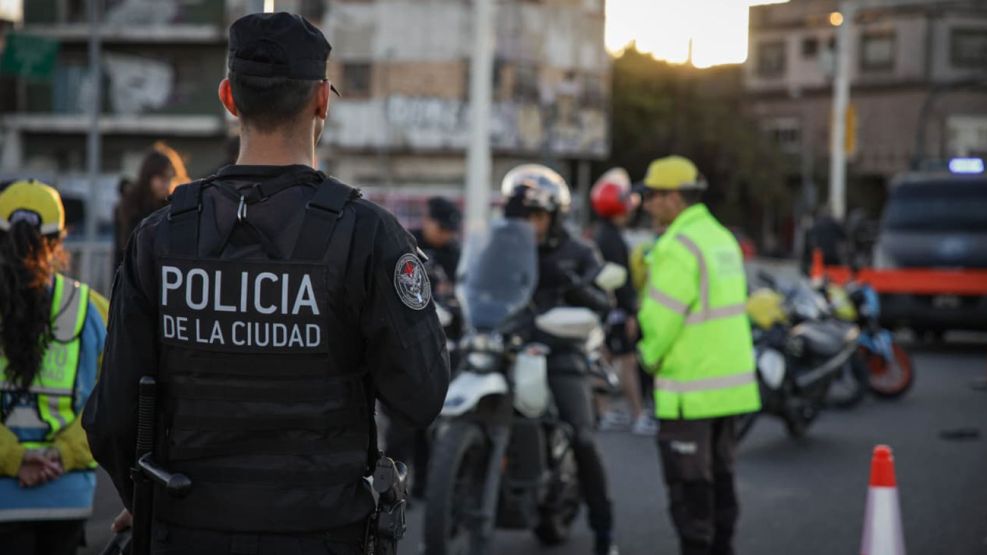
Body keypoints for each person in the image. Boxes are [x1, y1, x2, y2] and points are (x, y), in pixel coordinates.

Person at [83, 13, 450, 555]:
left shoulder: (161, 236)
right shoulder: (368, 235)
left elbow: (112, 415)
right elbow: (421, 396)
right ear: (323, 100)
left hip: (185, 531)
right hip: (323, 534)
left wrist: (143, 500)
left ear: (229, 97)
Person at [636, 156, 760, 555]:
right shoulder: (720, 237)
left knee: (691, 492)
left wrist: (645, 358)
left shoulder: (676, 246)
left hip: (690, 390)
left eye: (652, 195)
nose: (647, 203)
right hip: (730, 387)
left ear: (674, 198)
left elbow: (660, 322)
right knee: (721, 479)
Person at [502, 164, 619, 555]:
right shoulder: (500, 248)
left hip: (561, 352)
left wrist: (576, 286)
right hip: (508, 349)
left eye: (536, 216)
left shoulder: (578, 251)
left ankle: (604, 532)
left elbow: (605, 304)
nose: (529, 225)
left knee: (582, 437)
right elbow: (477, 287)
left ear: (554, 217)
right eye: (522, 217)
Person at [0, 180, 109, 555]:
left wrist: (14, 457)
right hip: (67, 495)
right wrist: (63, 453)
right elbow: (112, 405)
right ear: (62, 237)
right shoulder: (91, 309)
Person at [386, 196, 462, 499]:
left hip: (441, 345)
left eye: (450, 229)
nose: (445, 234)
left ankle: (425, 488)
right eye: (441, 227)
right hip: (405, 346)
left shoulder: (455, 253)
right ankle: (391, 489)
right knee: (400, 426)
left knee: (431, 422)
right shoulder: (406, 244)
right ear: (428, 221)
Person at [590, 168, 656, 436]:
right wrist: (630, 311)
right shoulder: (611, 238)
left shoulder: (604, 234)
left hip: (607, 310)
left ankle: (604, 410)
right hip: (615, 311)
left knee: (603, 360)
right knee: (625, 362)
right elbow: (621, 279)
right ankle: (638, 415)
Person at [113, 143, 188, 268]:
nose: (167, 185)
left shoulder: (176, 205)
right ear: (149, 176)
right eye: (162, 178)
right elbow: (120, 251)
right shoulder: (130, 206)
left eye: (170, 178)